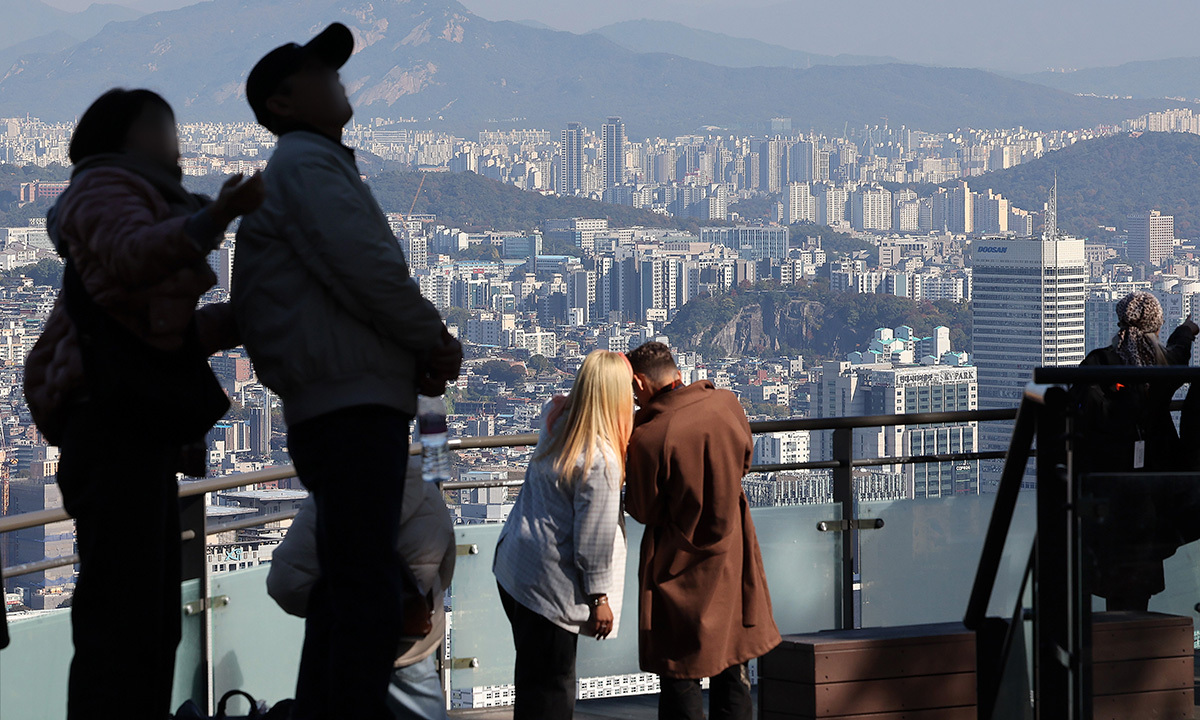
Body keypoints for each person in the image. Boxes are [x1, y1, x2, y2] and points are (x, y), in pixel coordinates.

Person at [234, 23, 462, 720]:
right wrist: (430, 341)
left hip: (340, 399)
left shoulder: (307, 165)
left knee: (345, 587)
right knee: (364, 597)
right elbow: (368, 268)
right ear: (282, 102)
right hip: (350, 407)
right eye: (318, 72)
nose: (337, 78)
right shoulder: (307, 165)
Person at [23, 88, 263, 719]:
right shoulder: (104, 191)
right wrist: (219, 215)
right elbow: (134, 256)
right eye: (164, 127)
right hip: (111, 429)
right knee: (124, 619)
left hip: (130, 429)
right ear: (125, 139)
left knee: (148, 618)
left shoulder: (141, 199)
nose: (177, 141)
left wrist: (240, 318)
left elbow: (153, 332)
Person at [624, 342, 780, 720]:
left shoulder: (650, 436)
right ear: (678, 374)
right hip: (733, 553)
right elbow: (745, 461)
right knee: (733, 663)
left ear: (640, 383)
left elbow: (644, 509)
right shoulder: (726, 404)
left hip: (676, 565)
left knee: (680, 672)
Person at [493, 350, 633, 720]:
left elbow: (561, 401)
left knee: (532, 681)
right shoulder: (601, 459)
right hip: (551, 587)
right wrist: (599, 598)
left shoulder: (555, 420)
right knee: (553, 690)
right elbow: (593, 539)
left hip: (515, 568)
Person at [267, 454, 456, 720]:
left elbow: (285, 584)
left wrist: (330, 603)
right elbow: (446, 568)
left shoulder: (329, 498)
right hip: (408, 638)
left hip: (342, 644)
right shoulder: (425, 487)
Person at [1071, 291, 1199, 611]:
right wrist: (1187, 329)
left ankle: (1114, 632)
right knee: (1141, 560)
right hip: (1154, 484)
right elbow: (1179, 353)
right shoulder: (1162, 365)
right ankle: (1132, 627)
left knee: (1114, 564)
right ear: (1157, 326)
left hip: (1107, 480)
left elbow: (1078, 407)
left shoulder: (1100, 362)